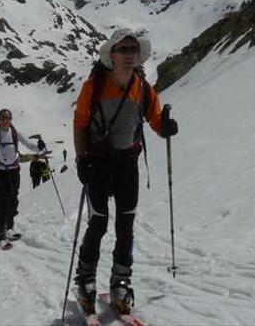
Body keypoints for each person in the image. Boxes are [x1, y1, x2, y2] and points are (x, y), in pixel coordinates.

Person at [72, 28, 179, 314]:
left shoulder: (143, 88)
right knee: (98, 221)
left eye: (133, 50)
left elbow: (155, 119)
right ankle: (85, 280)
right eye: (124, 49)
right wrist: (81, 158)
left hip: (128, 164)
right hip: (98, 162)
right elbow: (80, 123)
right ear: (112, 54)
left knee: (125, 224)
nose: (130, 55)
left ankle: (121, 281)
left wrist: (165, 126)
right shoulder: (93, 86)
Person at [0, 108, 46, 245]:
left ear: (10, 120)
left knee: (13, 199)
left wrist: (39, 147)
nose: (5, 121)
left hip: (13, 170)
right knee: (2, 199)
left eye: (7, 118)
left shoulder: (15, 133)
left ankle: (10, 226)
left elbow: (28, 144)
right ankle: (1, 230)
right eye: (3, 118)